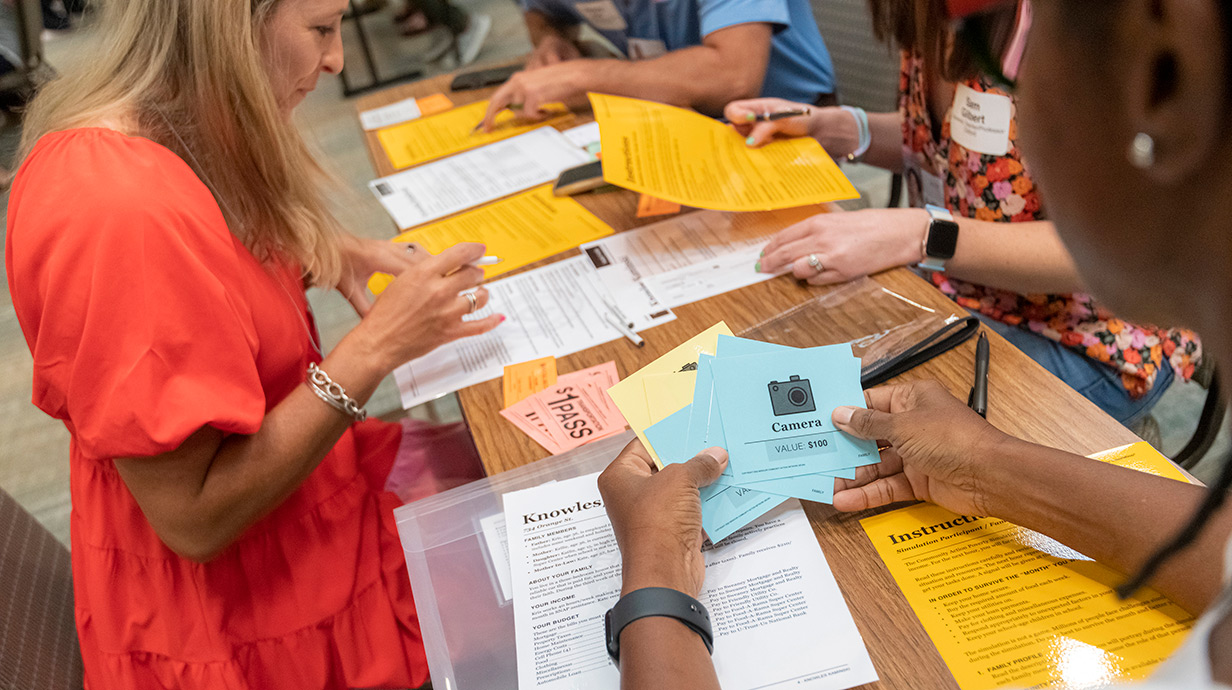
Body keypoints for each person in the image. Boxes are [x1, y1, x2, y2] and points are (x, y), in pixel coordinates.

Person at [598, 0, 1232, 687]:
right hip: (956, 301)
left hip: (1060, 332)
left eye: (1017, 61)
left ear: (1166, 75)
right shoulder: (941, 30)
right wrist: (988, 466)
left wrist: (655, 578)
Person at [5, 0, 504, 687]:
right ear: (233, 25)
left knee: (525, 483)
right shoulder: (117, 213)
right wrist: (373, 351)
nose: (335, 60)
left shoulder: (169, 129)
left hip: (302, 513)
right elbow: (195, 520)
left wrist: (322, 250)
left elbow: (201, 281)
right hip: (239, 613)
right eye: (321, 30)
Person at [722, 0, 1200, 429]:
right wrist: (842, 129)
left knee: (859, 421)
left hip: (1086, 335)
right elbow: (952, 152)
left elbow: (1118, 250)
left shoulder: (1074, 30)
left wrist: (925, 236)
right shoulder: (936, 19)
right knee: (795, 372)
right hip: (955, 294)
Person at [477, 0, 837, 130]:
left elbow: (733, 76)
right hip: (659, 120)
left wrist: (586, 76)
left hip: (781, 127)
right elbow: (539, 11)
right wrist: (551, 40)